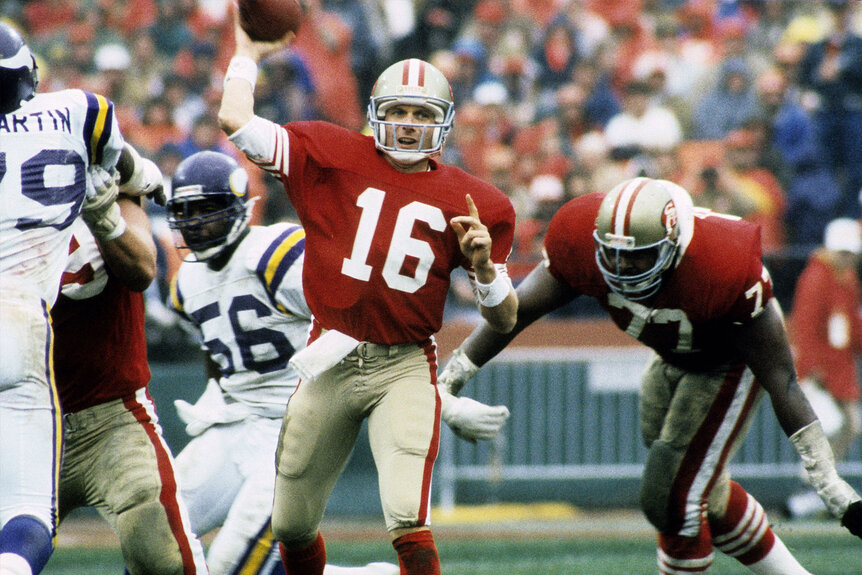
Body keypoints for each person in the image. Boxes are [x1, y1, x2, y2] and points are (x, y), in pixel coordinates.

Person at [217, 13, 518, 574]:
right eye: (397, 111)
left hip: (403, 364)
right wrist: (247, 52)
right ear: (376, 115)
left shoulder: (478, 202)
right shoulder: (328, 152)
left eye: (421, 113)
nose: (407, 123)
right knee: (291, 523)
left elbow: (504, 319)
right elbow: (236, 117)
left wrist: (482, 269)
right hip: (328, 356)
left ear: (444, 123)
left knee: (407, 516)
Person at [438, 177, 862, 574]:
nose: (623, 267)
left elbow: (782, 379)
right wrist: (449, 381)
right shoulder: (580, 239)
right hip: (666, 359)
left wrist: (828, 483)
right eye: (613, 252)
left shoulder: (724, 266)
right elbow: (517, 312)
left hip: (724, 365)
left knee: (673, 498)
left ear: (674, 245)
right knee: (702, 492)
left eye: (639, 254)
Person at [165, 152, 509, 574]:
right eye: (185, 212)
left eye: (207, 210)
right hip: (233, 424)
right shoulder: (185, 281)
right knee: (153, 538)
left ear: (240, 207)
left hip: (287, 421)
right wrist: (215, 400)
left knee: (232, 566)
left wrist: (441, 400)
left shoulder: (275, 253)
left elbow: (359, 326)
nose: (196, 223)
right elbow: (216, 354)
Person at [0, 22, 149, 575]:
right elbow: (132, 171)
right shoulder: (77, 111)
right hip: (17, 316)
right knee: (26, 514)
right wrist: (149, 185)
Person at [52, 154, 209, 574]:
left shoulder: (109, 188)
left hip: (113, 421)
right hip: (26, 420)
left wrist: (103, 215)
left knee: (168, 562)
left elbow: (141, 268)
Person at [786, 218, 862, 519]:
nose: (846, 258)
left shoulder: (846, 280)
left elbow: (851, 327)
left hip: (839, 368)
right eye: (842, 253)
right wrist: (811, 368)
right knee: (829, 428)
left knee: (848, 426)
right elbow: (804, 327)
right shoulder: (816, 278)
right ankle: (815, 488)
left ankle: (818, 489)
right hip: (821, 371)